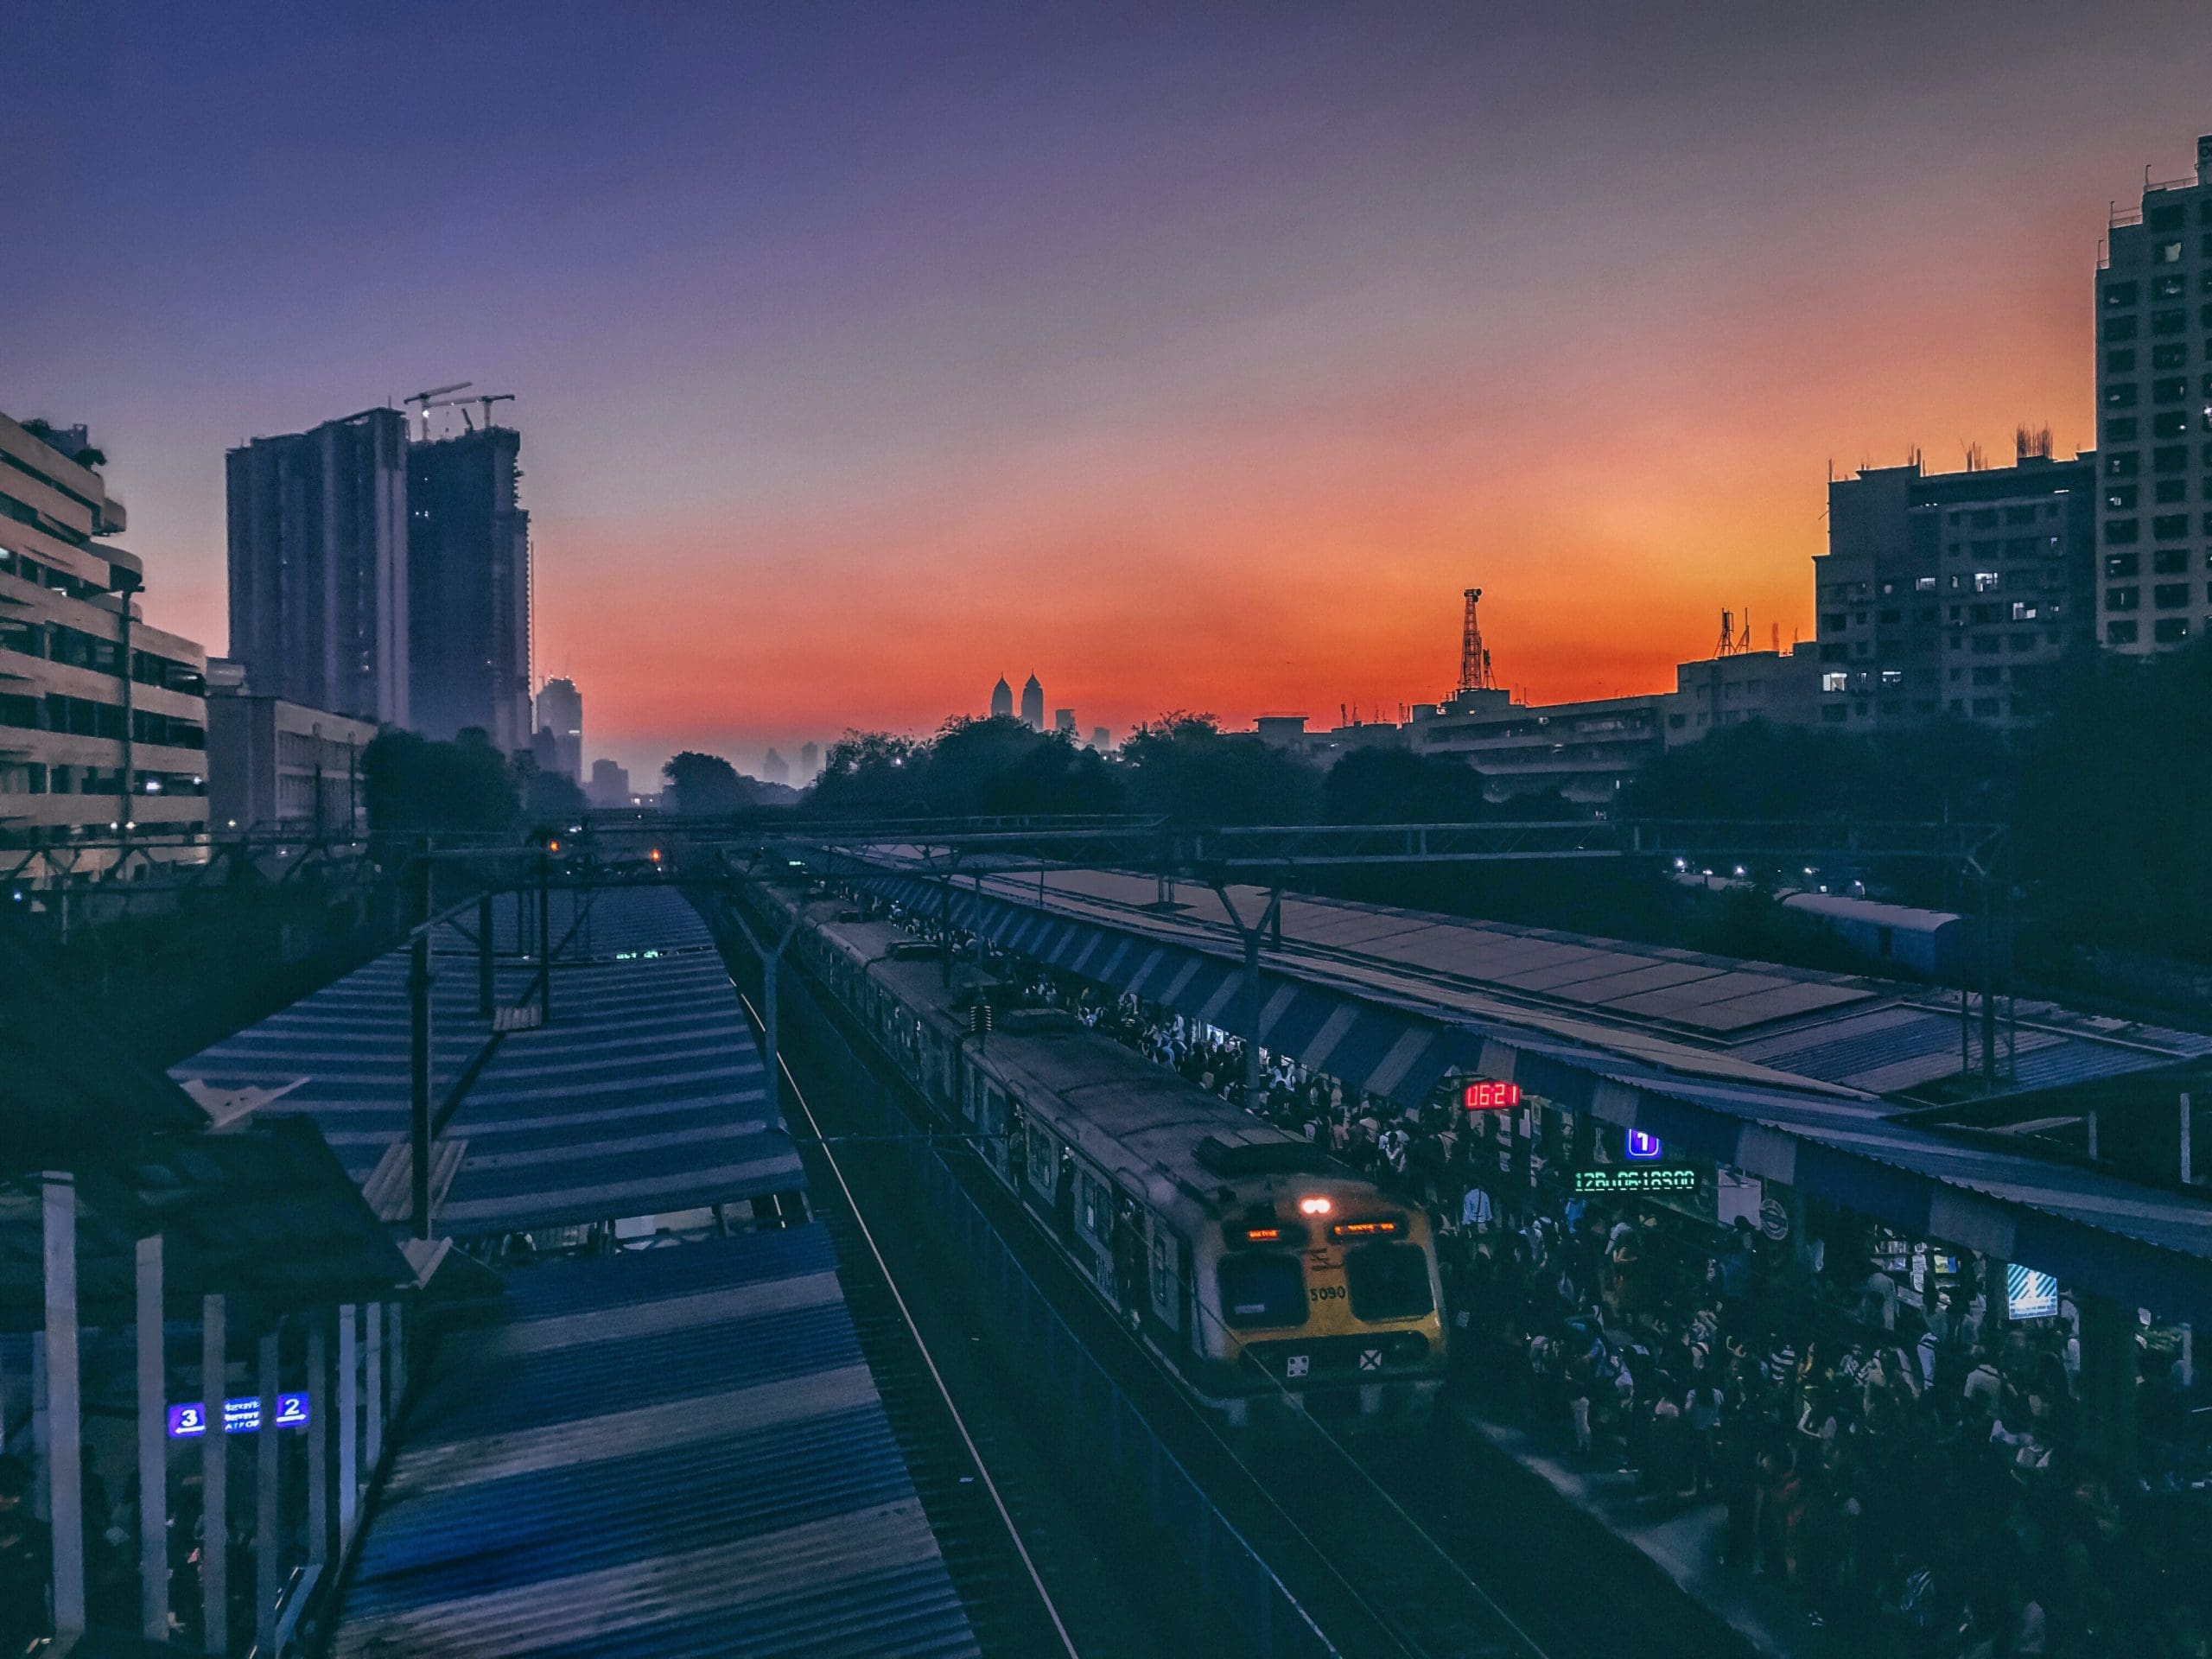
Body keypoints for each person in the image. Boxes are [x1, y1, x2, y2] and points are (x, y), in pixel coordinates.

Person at [0, 1455, 51, 1656]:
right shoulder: (38, 1535)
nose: (11, 1499)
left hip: (25, 1638)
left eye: (16, 1491)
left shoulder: (37, 1535)